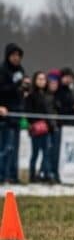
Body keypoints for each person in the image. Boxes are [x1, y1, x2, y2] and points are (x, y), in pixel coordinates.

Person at [0, 43, 25, 183]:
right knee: (5, 148)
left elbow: (20, 89)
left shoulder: (20, 70)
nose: (16, 58)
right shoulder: (2, 70)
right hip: (4, 116)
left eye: (18, 56)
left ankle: (13, 175)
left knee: (15, 148)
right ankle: (2, 175)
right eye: (14, 55)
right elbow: (4, 89)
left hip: (16, 114)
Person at [25, 71, 56, 183]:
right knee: (35, 153)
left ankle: (45, 174)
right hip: (36, 129)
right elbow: (28, 113)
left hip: (46, 129)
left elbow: (49, 112)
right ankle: (32, 176)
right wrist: (35, 123)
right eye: (39, 79)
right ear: (35, 80)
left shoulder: (48, 95)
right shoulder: (31, 95)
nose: (42, 81)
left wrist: (49, 125)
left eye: (43, 79)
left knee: (46, 153)